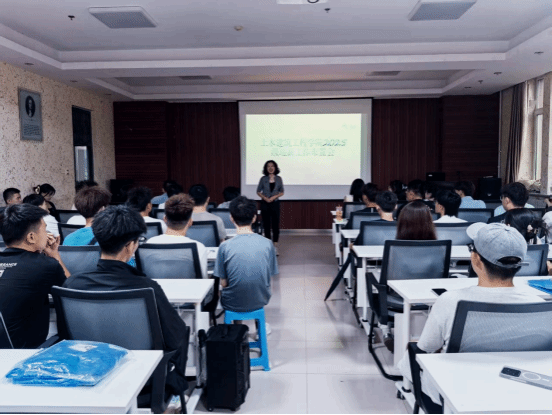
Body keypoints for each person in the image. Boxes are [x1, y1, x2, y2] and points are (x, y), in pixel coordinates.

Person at [398, 222, 543, 405]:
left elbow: (425, 348)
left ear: (476, 259)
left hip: (457, 391)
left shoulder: (450, 300)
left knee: (411, 354)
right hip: (518, 391)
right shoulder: (538, 303)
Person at [63, 205, 189, 398]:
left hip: (89, 377)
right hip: (142, 382)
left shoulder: (73, 284)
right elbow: (175, 337)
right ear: (130, 246)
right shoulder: (146, 287)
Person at [0, 204, 70, 348]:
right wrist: (55, 255)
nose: (48, 233)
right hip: (23, 354)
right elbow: (72, 295)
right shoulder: (46, 266)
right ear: (31, 237)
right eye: (44, 229)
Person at [214, 196, 278, 314]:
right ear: (254, 218)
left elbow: (223, 282)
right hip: (261, 299)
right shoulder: (268, 244)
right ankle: (258, 322)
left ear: (231, 218)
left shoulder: (224, 246)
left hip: (231, 302)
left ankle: (237, 324)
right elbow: (268, 277)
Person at [147, 194, 208, 278]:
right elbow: (203, 280)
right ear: (190, 222)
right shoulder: (199, 247)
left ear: (165, 219)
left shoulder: (150, 243)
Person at [257, 160, 284, 251]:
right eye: (268, 166)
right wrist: (265, 198)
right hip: (265, 204)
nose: (270, 168)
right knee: (266, 224)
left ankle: (275, 245)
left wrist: (274, 197)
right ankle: (268, 245)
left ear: (275, 168)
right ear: (266, 168)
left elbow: (282, 192)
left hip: (275, 203)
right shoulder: (263, 179)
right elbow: (258, 191)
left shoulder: (279, 178)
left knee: (275, 224)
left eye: (272, 166)